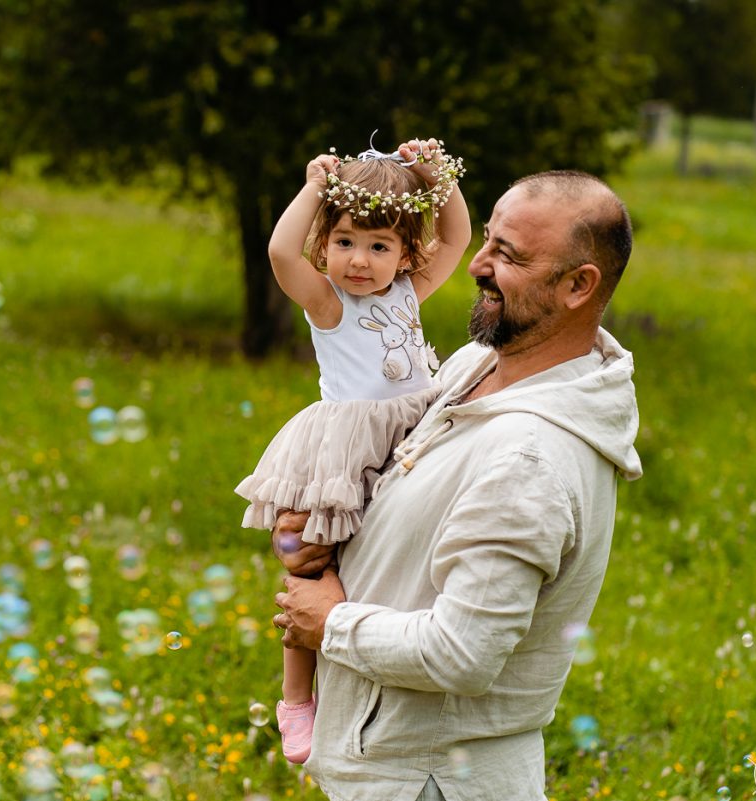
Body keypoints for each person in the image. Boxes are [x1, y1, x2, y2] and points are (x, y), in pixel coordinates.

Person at [272, 170, 642, 801]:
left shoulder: (530, 460)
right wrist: (319, 545)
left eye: (509, 255)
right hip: (392, 767)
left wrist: (329, 621)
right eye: (488, 240)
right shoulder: (479, 364)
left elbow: (460, 655)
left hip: (433, 780)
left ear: (579, 285)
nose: (477, 263)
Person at [235, 136, 472, 763]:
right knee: (309, 561)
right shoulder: (328, 303)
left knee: (385, 556)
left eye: (378, 246)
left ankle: (377, 670)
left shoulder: (407, 291)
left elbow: (456, 238)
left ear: (404, 253)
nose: (359, 260)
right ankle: (295, 699)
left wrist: (435, 174)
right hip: (347, 449)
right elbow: (280, 251)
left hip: (413, 433)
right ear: (325, 244)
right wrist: (315, 187)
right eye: (344, 242)